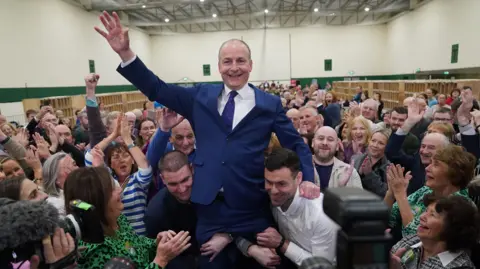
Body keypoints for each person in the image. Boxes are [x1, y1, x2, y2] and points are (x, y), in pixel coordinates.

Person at [95, 11, 318, 268]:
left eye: (240, 61)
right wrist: (125, 54)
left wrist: (309, 180)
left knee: (269, 262)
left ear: (251, 65)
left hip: (251, 205)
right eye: (227, 61)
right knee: (213, 264)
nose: (234, 67)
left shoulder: (269, 104)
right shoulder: (199, 97)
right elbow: (157, 88)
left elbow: (296, 144)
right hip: (210, 208)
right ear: (219, 66)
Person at [63, 167, 190, 269]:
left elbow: (132, 246)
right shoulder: (95, 251)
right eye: (112, 189)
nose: (119, 190)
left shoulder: (118, 218)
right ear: (98, 200)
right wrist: (161, 260)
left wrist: (155, 243)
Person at [385, 144, 475, 238]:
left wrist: (400, 194)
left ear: (454, 173)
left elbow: (414, 237)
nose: (427, 168)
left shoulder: (461, 205)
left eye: (436, 164)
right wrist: (391, 192)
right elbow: (387, 218)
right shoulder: (426, 190)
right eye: (430, 163)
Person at [390, 195, 479, 269]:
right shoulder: (412, 240)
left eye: (432, 215)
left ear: (453, 227)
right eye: (426, 211)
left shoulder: (461, 266)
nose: (422, 217)